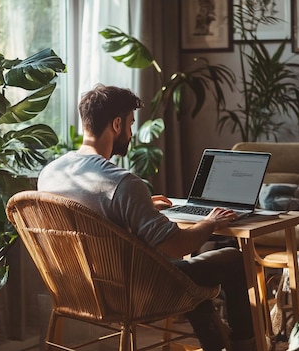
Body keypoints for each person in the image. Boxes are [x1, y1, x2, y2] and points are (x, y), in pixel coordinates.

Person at [38, 84, 255, 351]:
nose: (130, 132)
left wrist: (138, 206)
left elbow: (84, 212)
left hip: (74, 287)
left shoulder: (51, 172)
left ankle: (216, 345)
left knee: (191, 281)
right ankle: (245, 345)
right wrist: (209, 222)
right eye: (130, 124)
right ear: (116, 124)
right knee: (232, 259)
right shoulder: (123, 182)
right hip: (132, 292)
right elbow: (176, 246)